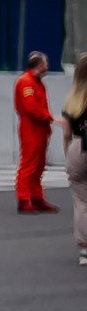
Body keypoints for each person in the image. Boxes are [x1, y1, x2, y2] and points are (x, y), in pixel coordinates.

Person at [14, 51, 54, 213]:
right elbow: (31, 108)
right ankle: (24, 199)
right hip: (31, 127)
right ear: (40, 65)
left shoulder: (36, 82)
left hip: (40, 128)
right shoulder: (27, 82)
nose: (47, 66)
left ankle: (37, 197)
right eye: (46, 63)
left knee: (38, 165)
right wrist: (49, 117)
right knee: (29, 164)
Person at [62, 55, 87, 266]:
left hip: (78, 147)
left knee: (81, 201)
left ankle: (84, 248)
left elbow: (66, 133)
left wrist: (67, 154)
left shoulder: (72, 99)